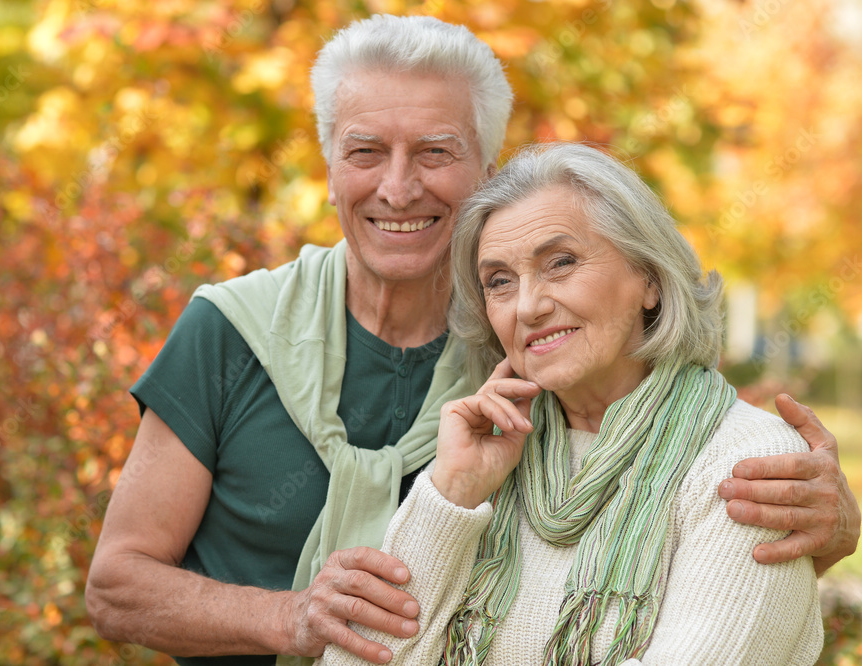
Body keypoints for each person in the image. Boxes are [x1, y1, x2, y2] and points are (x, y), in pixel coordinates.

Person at [85, 15, 860, 666]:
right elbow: (117, 583)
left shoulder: (541, 370)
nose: (397, 187)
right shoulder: (232, 331)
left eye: (435, 151)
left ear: (485, 172)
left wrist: (827, 528)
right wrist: (292, 618)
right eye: (364, 152)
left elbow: (678, 464)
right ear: (328, 168)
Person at [321, 141, 824, 665]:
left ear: (648, 278)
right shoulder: (487, 458)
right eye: (499, 282)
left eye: (560, 263)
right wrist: (453, 494)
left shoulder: (751, 463)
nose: (529, 306)